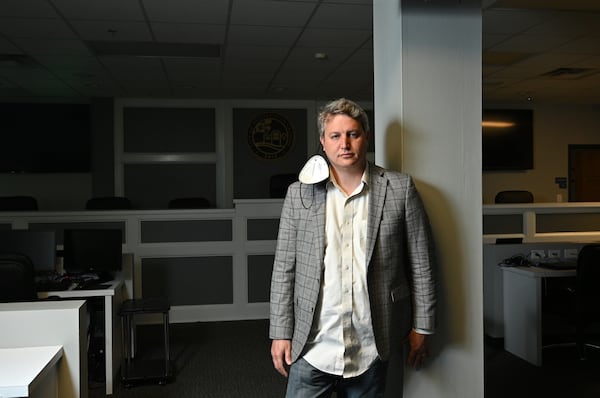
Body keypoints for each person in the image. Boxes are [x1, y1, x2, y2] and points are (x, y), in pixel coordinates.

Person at [269, 97, 437, 397]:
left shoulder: (400, 188)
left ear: (366, 138)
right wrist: (280, 332)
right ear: (323, 142)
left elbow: (421, 264)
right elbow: (284, 267)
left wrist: (422, 327)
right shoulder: (299, 194)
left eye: (353, 134)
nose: (344, 143)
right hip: (312, 344)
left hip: (373, 343)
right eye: (335, 136)